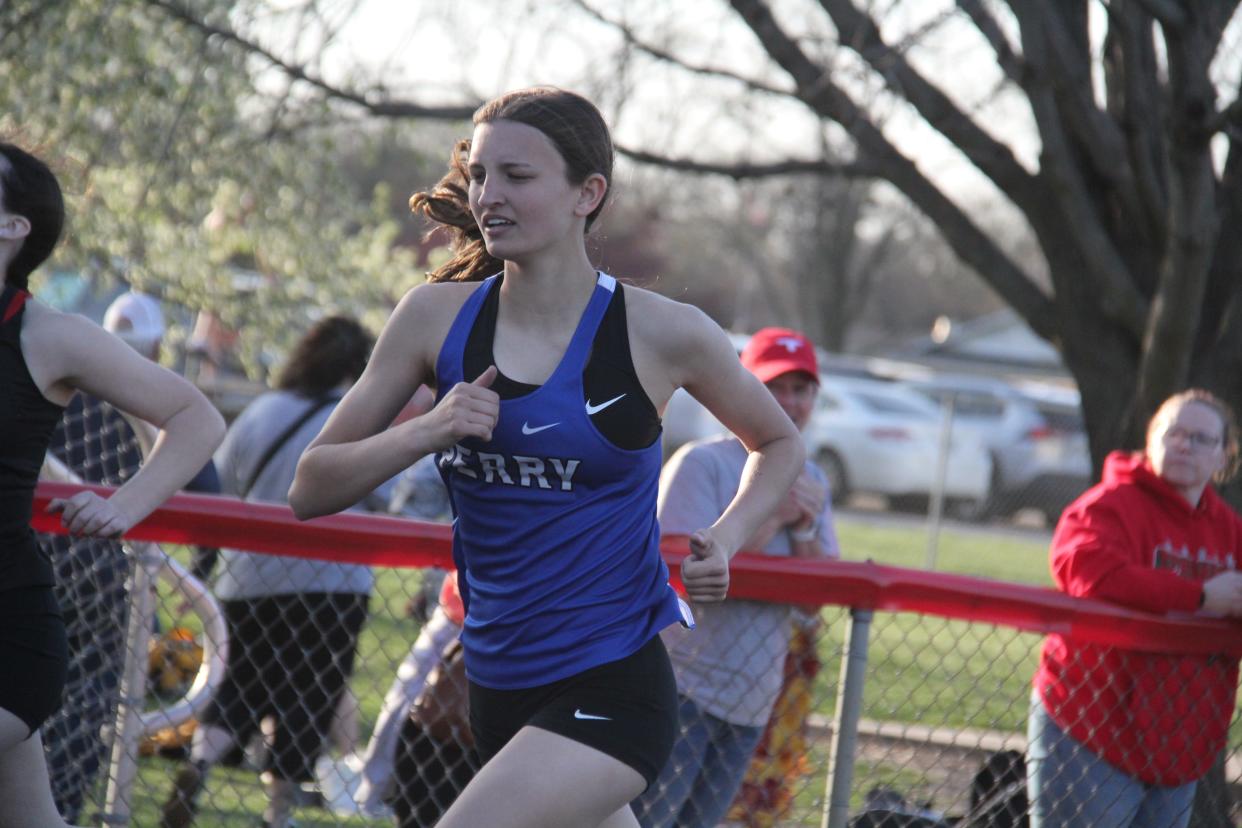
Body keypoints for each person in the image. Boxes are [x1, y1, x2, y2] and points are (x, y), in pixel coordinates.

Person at [287, 87, 805, 828]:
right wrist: (426, 431)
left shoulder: (663, 332)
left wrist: (727, 534)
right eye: (480, 174)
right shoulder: (434, 318)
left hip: (615, 685)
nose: (489, 195)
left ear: (586, 194)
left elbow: (780, 441)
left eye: (518, 177)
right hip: (497, 689)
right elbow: (310, 488)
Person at [0, 142, 224, 828]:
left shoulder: (48, 335)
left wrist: (124, 504)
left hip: (8, 634)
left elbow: (197, 417)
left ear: (15, 226)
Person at [160, 315, 385, 828]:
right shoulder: (359, 421)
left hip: (250, 578)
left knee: (238, 683)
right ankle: (277, 813)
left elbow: (226, 486)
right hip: (333, 584)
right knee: (309, 694)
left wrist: (204, 566)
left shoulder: (261, 411)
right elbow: (384, 495)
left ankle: (199, 762)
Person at [634, 327, 839, 828]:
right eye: (774, 387)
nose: (788, 402)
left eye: (800, 389)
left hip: (754, 698)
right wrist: (775, 516)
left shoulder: (812, 480)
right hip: (681, 687)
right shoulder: (701, 463)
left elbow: (818, 598)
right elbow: (680, 571)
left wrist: (805, 523)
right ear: (744, 388)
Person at [41, 289, 221, 822]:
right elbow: (207, 494)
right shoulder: (149, 399)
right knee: (90, 696)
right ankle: (65, 804)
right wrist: (203, 566)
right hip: (107, 569)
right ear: (158, 346)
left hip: (37, 555)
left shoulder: (61, 376)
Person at [1027, 388, 1242, 828]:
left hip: (1180, 745)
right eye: (1173, 432)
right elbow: (1090, 571)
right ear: (1151, 440)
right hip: (1091, 729)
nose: (1184, 443)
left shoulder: (1229, 531)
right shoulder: (1108, 505)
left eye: (1201, 438)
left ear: (1224, 457)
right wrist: (1200, 596)